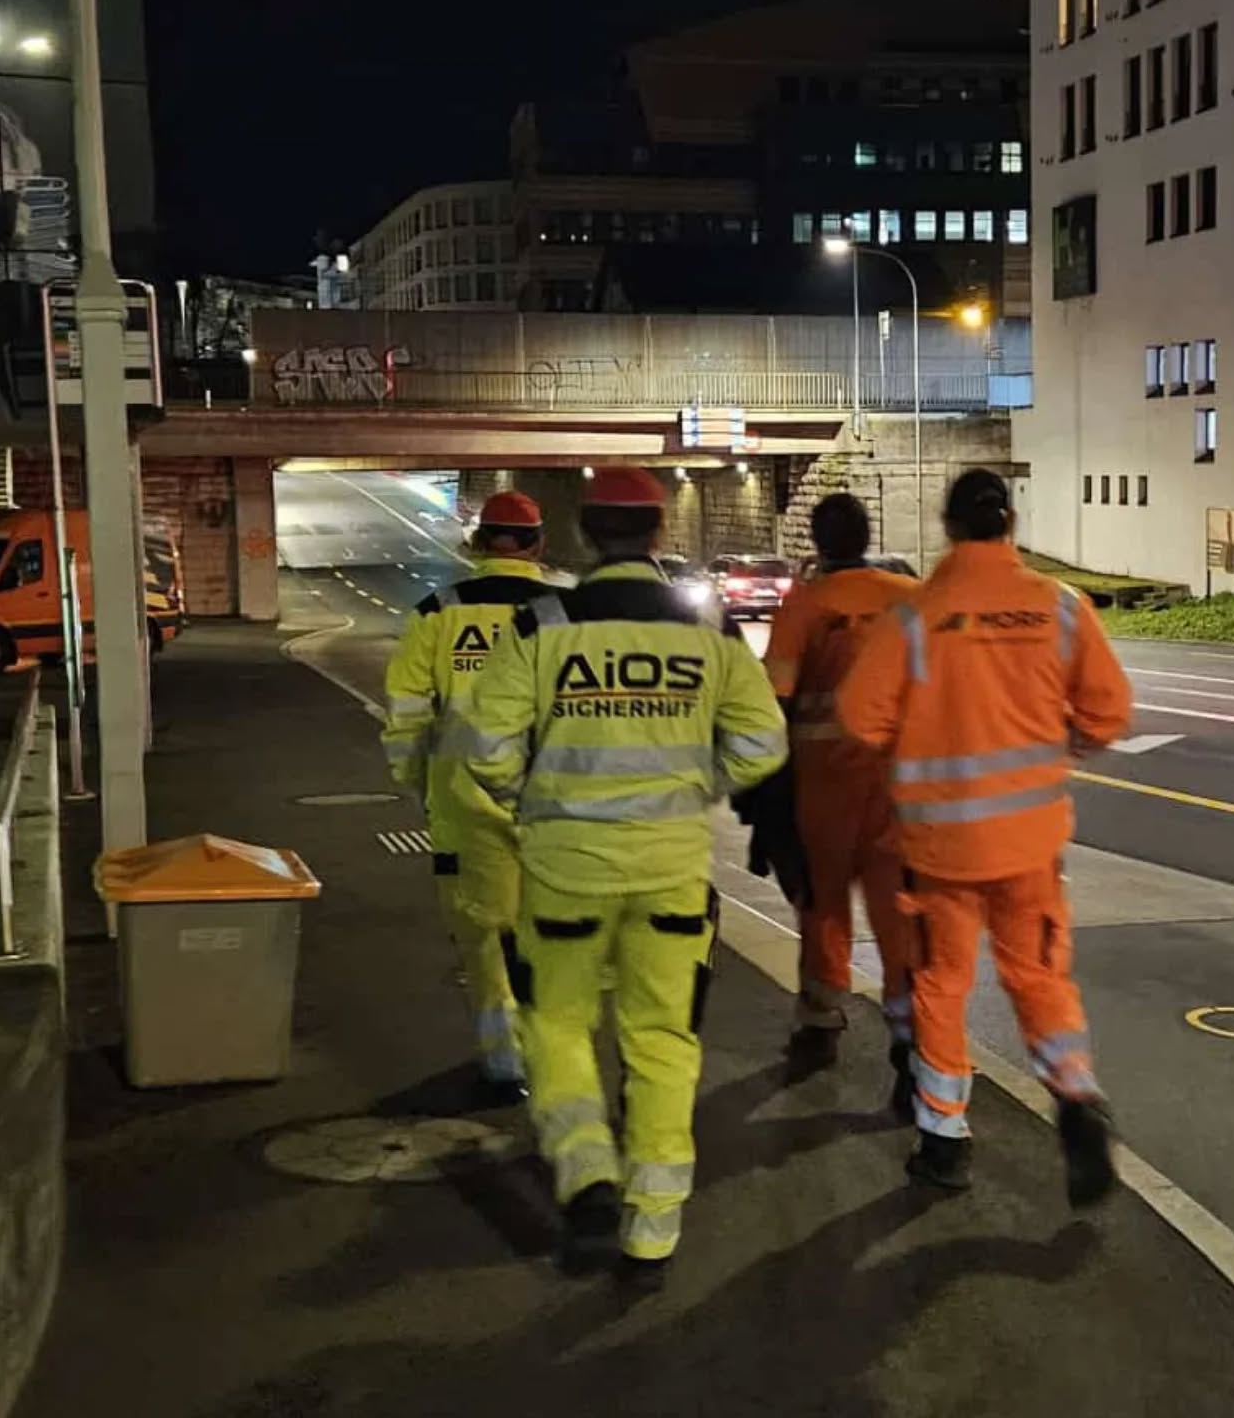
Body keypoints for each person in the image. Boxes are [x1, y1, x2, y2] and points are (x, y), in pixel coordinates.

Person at [457, 467, 787, 1286]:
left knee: (559, 1024)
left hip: (564, 867)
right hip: (671, 870)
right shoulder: (707, 632)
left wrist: (530, 797)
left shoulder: (542, 626)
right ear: (659, 534)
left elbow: (482, 747)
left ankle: (585, 1171)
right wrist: (692, 791)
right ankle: (652, 1228)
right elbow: (761, 747)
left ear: (585, 536)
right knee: (663, 1039)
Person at [837, 469, 1132, 1205]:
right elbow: (1107, 713)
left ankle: (944, 1139)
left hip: (939, 850)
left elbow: (859, 717)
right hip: (1030, 844)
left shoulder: (916, 617)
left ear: (949, 527)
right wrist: (1055, 742)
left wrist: (917, 740)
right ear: (1010, 523)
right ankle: (1074, 1094)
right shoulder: (1059, 608)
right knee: (1039, 976)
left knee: (941, 984)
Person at [381, 490, 557, 1104]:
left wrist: (420, 787)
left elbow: (406, 716)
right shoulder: (568, 615)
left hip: (463, 803)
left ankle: (505, 1063)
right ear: (538, 545)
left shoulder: (438, 613)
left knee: (483, 938)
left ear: (480, 545)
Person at [762, 493, 920, 1105]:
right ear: (867, 534)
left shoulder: (803, 605)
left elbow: (775, 699)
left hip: (822, 783)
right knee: (900, 914)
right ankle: (913, 1043)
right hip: (897, 783)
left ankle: (821, 1022)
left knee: (822, 907)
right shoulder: (911, 601)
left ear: (819, 544)